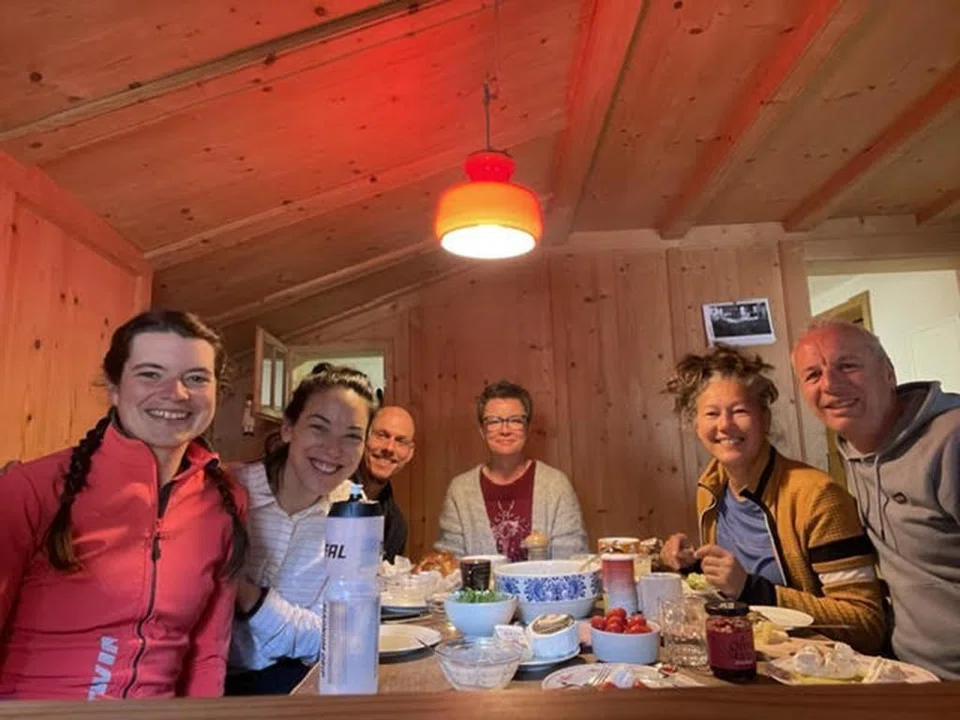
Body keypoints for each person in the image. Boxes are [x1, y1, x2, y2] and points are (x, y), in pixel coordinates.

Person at [0, 310, 248, 699]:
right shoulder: (30, 488)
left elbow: (208, 651)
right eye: (151, 373)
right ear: (114, 387)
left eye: (196, 378)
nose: (177, 393)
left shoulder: (225, 500)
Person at [660, 345, 886, 654]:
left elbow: (866, 624)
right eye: (712, 413)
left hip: (820, 677)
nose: (725, 425)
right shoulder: (711, 487)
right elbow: (732, 589)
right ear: (696, 425)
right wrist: (693, 566)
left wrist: (749, 588)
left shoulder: (817, 496)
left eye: (739, 411)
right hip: (750, 659)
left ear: (764, 418)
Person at [792, 319, 960, 679]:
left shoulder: (951, 440)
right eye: (812, 375)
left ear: (888, 373)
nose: (830, 385)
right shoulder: (852, 448)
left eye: (847, 366)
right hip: (909, 673)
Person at [226, 365, 376, 695]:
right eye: (319, 428)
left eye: (352, 436)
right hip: (208, 683)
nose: (334, 450)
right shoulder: (229, 492)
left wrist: (249, 597)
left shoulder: (353, 514)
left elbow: (340, 637)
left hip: (297, 681)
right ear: (288, 429)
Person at [435, 380, 587, 561]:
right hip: (478, 590)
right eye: (494, 421)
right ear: (482, 430)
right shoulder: (460, 491)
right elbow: (450, 566)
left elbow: (572, 561)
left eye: (515, 421)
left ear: (527, 428)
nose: (505, 430)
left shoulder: (555, 485)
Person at [354, 406, 416, 563]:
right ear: (364, 437)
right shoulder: (329, 497)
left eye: (400, 441)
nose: (389, 448)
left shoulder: (396, 525)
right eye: (382, 436)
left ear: (409, 453)